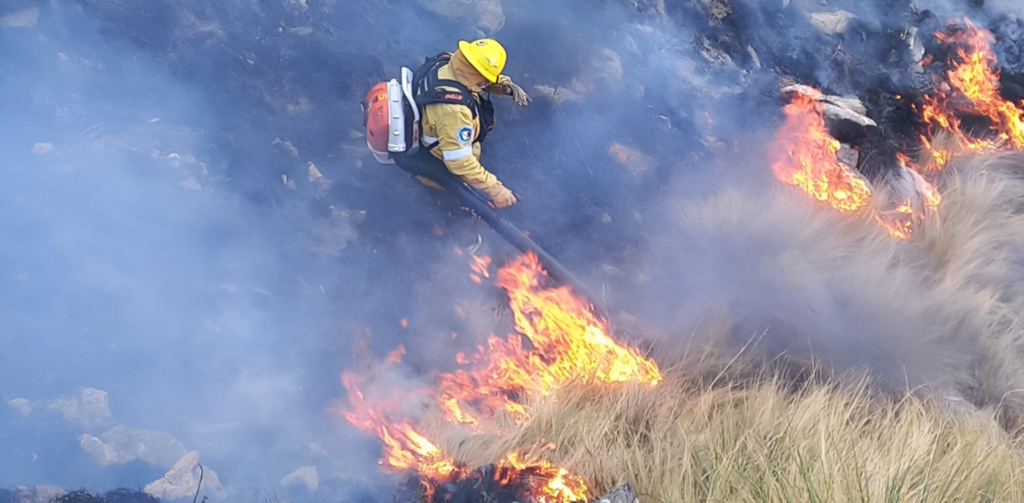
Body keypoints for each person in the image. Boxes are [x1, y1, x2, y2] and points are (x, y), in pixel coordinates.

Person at [410, 39, 531, 209]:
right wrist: (496, 190)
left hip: (436, 139)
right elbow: (459, 162)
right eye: (487, 79)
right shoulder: (454, 112)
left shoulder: (447, 63)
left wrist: (503, 84)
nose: (487, 83)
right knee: (461, 221)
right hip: (441, 172)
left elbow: (471, 75)